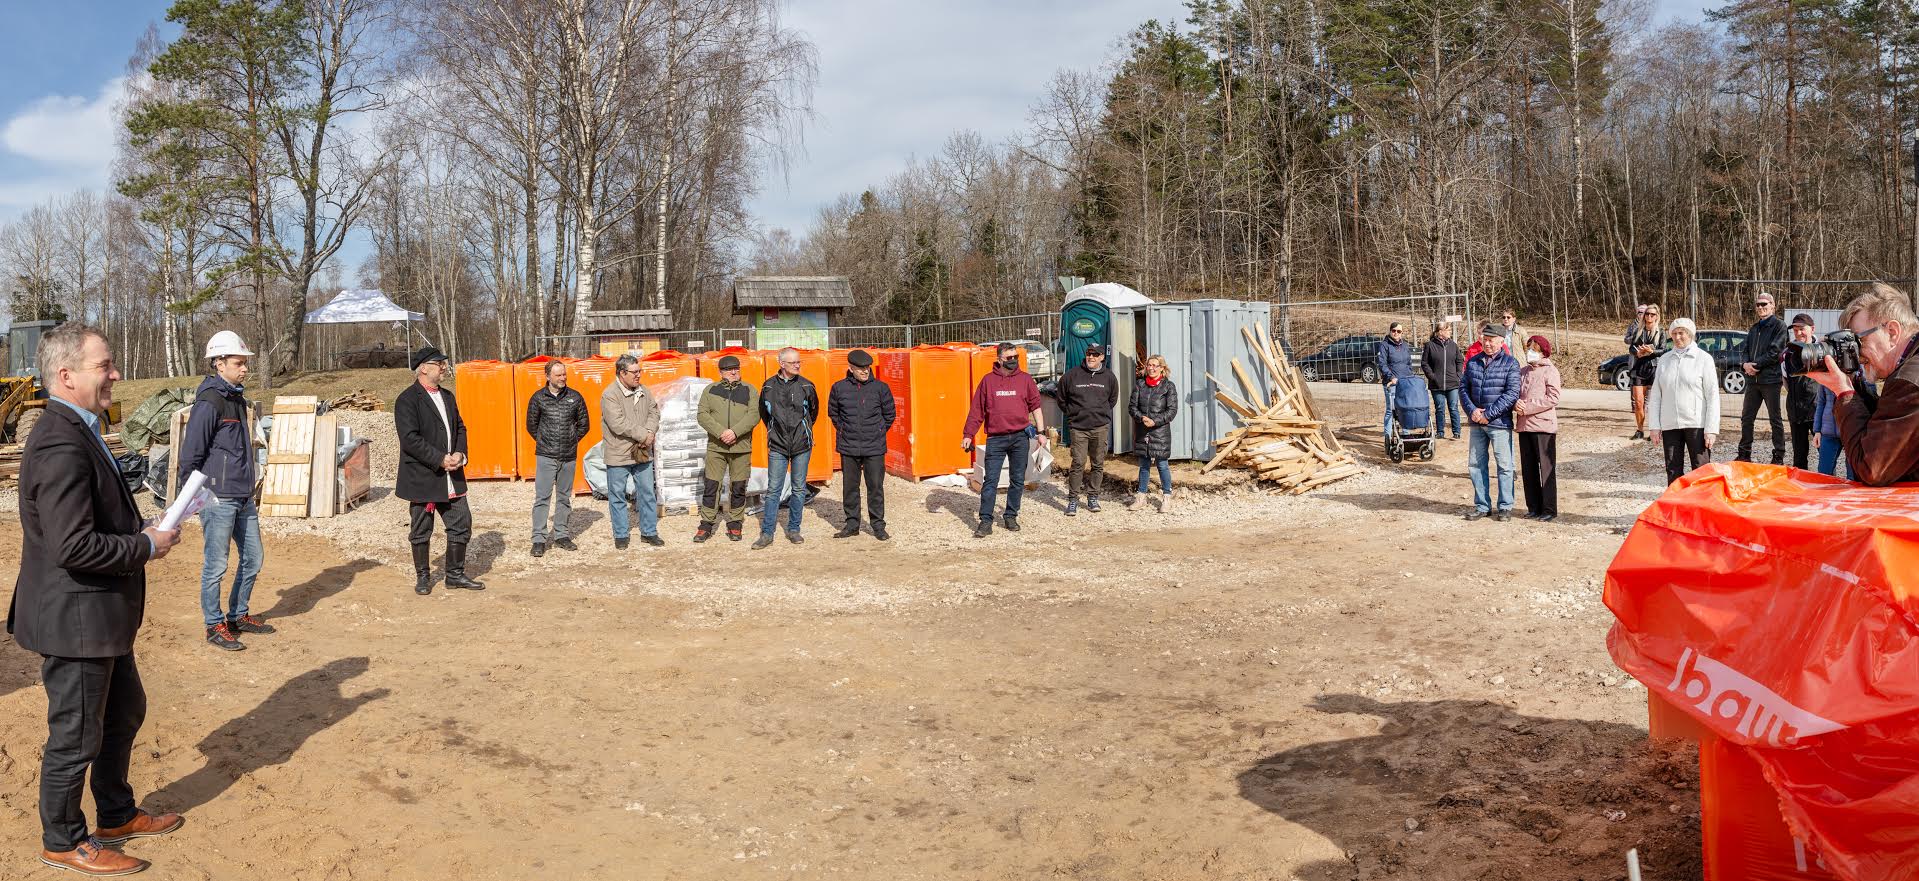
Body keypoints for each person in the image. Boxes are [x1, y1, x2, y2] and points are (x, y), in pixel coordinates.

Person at [9, 322, 184, 876]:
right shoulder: (61, 440)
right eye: (103, 366)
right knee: (76, 735)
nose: (114, 374)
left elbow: (93, 519)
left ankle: (115, 812)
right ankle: (63, 840)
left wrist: (144, 527)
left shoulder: (80, 428)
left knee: (124, 712)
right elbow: (72, 544)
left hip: (100, 616)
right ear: (66, 376)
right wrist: (143, 546)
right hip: (76, 619)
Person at [177, 330, 271, 652]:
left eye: (245, 363)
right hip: (218, 498)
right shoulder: (210, 401)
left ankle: (238, 615)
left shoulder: (236, 399)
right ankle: (213, 624)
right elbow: (190, 455)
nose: (244, 368)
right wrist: (194, 500)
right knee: (216, 564)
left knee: (254, 558)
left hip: (243, 495)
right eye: (238, 363)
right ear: (219, 363)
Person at [1811, 282, 1919, 485]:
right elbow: (1888, 421)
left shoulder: (1909, 383)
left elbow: (1871, 468)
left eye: (1858, 342)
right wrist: (1855, 385)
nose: (1856, 354)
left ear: (1892, 332)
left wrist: (1844, 393)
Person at [395, 346, 483, 594]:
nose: (444, 367)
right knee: (422, 528)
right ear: (424, 368)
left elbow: (460, 428)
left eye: (444, 363)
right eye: (439, 363)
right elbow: (410, 439)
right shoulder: (407, 399)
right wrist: (439, 459)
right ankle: (423, 577)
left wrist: (459, 453)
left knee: (461, 522)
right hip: (424, 475)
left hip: (452, 474)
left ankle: (454, 575)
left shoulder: (447, 397)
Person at [962, 341, 1045, 537]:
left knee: (1017, 480)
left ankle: (1010, 516)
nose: (1014, 361)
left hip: (1019, 437)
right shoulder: (988, 381)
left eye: (1016, 357)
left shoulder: (1025, 380)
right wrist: (968, 434)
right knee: (990, 480)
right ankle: (985, 521)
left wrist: (1041, 432)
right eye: (1009, 358)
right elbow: (977, 411)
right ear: (999, 359)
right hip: (996, 439)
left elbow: (1036, 407)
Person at [827, 348, 895, 540]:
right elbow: (833, 413)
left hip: (874, 446)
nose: (865, 371)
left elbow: (890, 414)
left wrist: (879, 431)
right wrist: (842, 429)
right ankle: (852, 525)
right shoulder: (839, 388)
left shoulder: (881, 388)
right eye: (860, 368)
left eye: (867, 368)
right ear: (850, 368)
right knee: (850, 487)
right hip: (848, 446)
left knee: (875, 487)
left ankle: (878, 526)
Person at [756, 347, 818, 548]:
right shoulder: (768, 388)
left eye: (799, 362)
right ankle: (767, 533)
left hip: (801, 445)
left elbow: (813, 413)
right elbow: (765, 416)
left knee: (799, 488)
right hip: (778, 445)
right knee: (773, 489)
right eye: (793, 363)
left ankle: (794, 529)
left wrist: (804, 431)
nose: (798, 365)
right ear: (782, 364)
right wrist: (776, 432)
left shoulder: (807, 386)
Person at [1646, 318, 1722, 484]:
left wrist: (1711, 429)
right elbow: (1656, 396)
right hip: (1670, 424)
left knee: (1701, 469)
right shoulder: (1665, 360)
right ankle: (1675, 506)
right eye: (1674, 333)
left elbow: (1713, 396)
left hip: (1697, 424)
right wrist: (1654, 426)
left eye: (1682, 333)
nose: (1678, 337)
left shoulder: (1703, 359)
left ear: (1691, 335)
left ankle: (1702, 506)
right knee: (1673, 469)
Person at [525, 359, 588, 557]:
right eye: (558, 375)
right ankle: (538, 539)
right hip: (546, 456)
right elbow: (531, 426)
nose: (563, 378)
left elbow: (584, 425)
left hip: (569, 456)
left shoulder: (575, 397)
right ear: (548, 377)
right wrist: (545, 442)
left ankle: (561, 535)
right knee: (542, 498)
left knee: (564, 497)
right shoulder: (538, 398)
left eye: (564, 374)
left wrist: (570, 440)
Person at [696, 354, 760, 542]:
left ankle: (735, 523)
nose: (734, 372)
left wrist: (735, 432)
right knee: (711, 486)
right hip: (716, 447)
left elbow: (754, 415)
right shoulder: (710, 390)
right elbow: (702, 415)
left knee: (738, 486)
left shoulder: (750, 390)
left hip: (741, 447)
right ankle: (706, 524)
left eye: (736, 368)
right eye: (729, 369)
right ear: (720, 372)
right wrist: (721, 432)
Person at [602, 353, 664, 548]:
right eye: (634, 372)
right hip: (618, 453)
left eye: (640, 371)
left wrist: (650, 431)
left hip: (642, 451)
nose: (638, 375)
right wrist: (644, 434)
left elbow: (655, 412)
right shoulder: (610, 394)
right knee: (618, 495)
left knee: (647, 492)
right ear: (622, 373)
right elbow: (617, 423)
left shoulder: (644, 391)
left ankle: (649, 531)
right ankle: (621, 535)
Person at [1460, 323, 1520, 522]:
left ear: (1501, 341)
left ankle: (1505, 506)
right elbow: (1463, 389)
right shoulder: (1473, 362)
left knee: (1504, 466)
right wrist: (1473, 411)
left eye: (1491, 340)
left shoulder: (1510, 364)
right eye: (1485, 339)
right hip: (1477, 422)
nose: (1487, 344)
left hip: (1499, 423)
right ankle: (1482, 505)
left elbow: (1511, 394)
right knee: (1476, 464)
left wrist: (1489, 414)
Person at [1056, 343, 1119, 515]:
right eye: (1088, 354)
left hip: (1100, 427)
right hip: (1078, 428)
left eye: (1095, 354)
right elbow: (1061, 398)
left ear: (1101, 357)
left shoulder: (1109, 377)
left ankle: (1093, 498)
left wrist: (1101, 413)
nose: (1091, 357)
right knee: (1078, 463)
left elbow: (1112, 399)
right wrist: (1073, 413)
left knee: (1098, 464)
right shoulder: (1072, 375)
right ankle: (1073, 500)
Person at [1513, 335, 1563, 522]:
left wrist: (1528, 406)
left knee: (1546, 469)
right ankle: (1533, 507)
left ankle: (1549, 508)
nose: (1530, 352)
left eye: (1534, 349)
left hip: (1543, 426)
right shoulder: (1522, 371)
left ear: (1543, 352)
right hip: (1525, 426)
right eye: (1528, 348)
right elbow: (1514, 393)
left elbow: (1553, 397)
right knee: (1528, 468)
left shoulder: (1551, 371)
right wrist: (1515, 404)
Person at [1737, 291, 1788, 464]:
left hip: (1771, 380)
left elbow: (1775, 352)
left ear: (1773, 306)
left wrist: (1755, 365)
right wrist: (1745, 365)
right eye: (1758, 304)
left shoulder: (1779, 326)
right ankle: (1744, 454)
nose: (1761, 307)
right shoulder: (1754, 328)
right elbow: (1745, 351)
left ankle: (1778, 455)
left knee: (1775, 419)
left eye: (1764, 304)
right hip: (1753, 382)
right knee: (1746, 418)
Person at [1128, 354, 1179, 513]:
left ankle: (1167, 498)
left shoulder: (1168, 386)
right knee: (1143, 465)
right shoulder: (1140, 385)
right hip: (1143, 431)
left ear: (1162, 368)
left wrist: (1155, 421)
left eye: (1155, 365)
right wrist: (1141, 417)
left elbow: (1172, 411)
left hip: (1160, 432)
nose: (1151, 368)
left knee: (1162, 465)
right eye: (1149, 365)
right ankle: (1141, 497)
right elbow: (1132, 407)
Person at [1783, 313, 1818, 470]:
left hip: (1817, 410)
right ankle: (1801, 489)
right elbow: (1785, 381)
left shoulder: (1823, 351)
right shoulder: (1787, 354)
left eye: (1801, 329)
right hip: (1796, 410)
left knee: (1825, 453)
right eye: (1795, 330)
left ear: (1812, 329)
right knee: (1799, 457)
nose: (1798, 333)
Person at [1625, 305, 1664, 440]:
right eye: (1647, 314)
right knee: (1639, 402)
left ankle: (1654, 430)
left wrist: (1652, 351)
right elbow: (1631, 348)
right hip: (1639, 367)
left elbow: (1664, 350)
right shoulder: (1638, 330)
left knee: (1654, 403)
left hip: (1653, 368)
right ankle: (1639, 430)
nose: (1649, 317)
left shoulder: (1661, 332)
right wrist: (1638, 352)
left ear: (1657, 316)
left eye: (1652, 314)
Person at [1421, 321, 1464, 440]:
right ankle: (1440, 432)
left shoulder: (1453, 345)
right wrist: (1432, 376)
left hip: (1452, 383)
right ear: (1440, 332)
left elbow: (1460, 360)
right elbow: (1424, 363)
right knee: (1439, 408)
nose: (1450, 332)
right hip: (1436, 384)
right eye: (1448, 330)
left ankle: (1456, 432)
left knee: (1453, 407)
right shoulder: (1430, 345)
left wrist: (1458, 374)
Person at [1375, 322, 1414, 437]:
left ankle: (1406, 434)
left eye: (1399, 331)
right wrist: (1391, 377)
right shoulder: (1384, 345)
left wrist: (1410, 377)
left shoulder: (1405, 346)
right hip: (1391, 383)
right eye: (1394, 330)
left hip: (1405, 383)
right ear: (1390, 331)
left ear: (1402, 333)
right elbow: (1382, 364)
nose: (1396, 333)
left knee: (1405, 408)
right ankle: (1388, 436)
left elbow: (1409, 363)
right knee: (1390, 410)